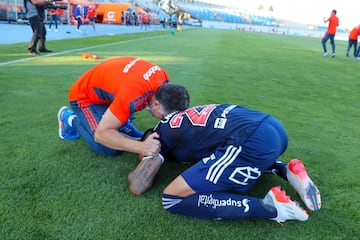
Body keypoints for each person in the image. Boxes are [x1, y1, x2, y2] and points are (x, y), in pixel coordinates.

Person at [128, 84, 322, 224]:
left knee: (172, 199)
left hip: (251, 141)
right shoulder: (195, 113)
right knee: (227, 154)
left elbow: (138, 186)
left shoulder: (160, 131)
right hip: (272, 127)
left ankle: (271, 208)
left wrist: (145, 151)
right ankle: (287, 170)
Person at [57, 56, 171, 157]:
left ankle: (118, 122)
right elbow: (101, 135)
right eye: (162, 117)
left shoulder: (164, 80)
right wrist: (140, 147)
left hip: (109, 93)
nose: (161, 119)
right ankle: (69, 119)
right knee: (109, 147)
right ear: (156, 104)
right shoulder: (133, 95)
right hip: (83, 97)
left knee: (130, 134)